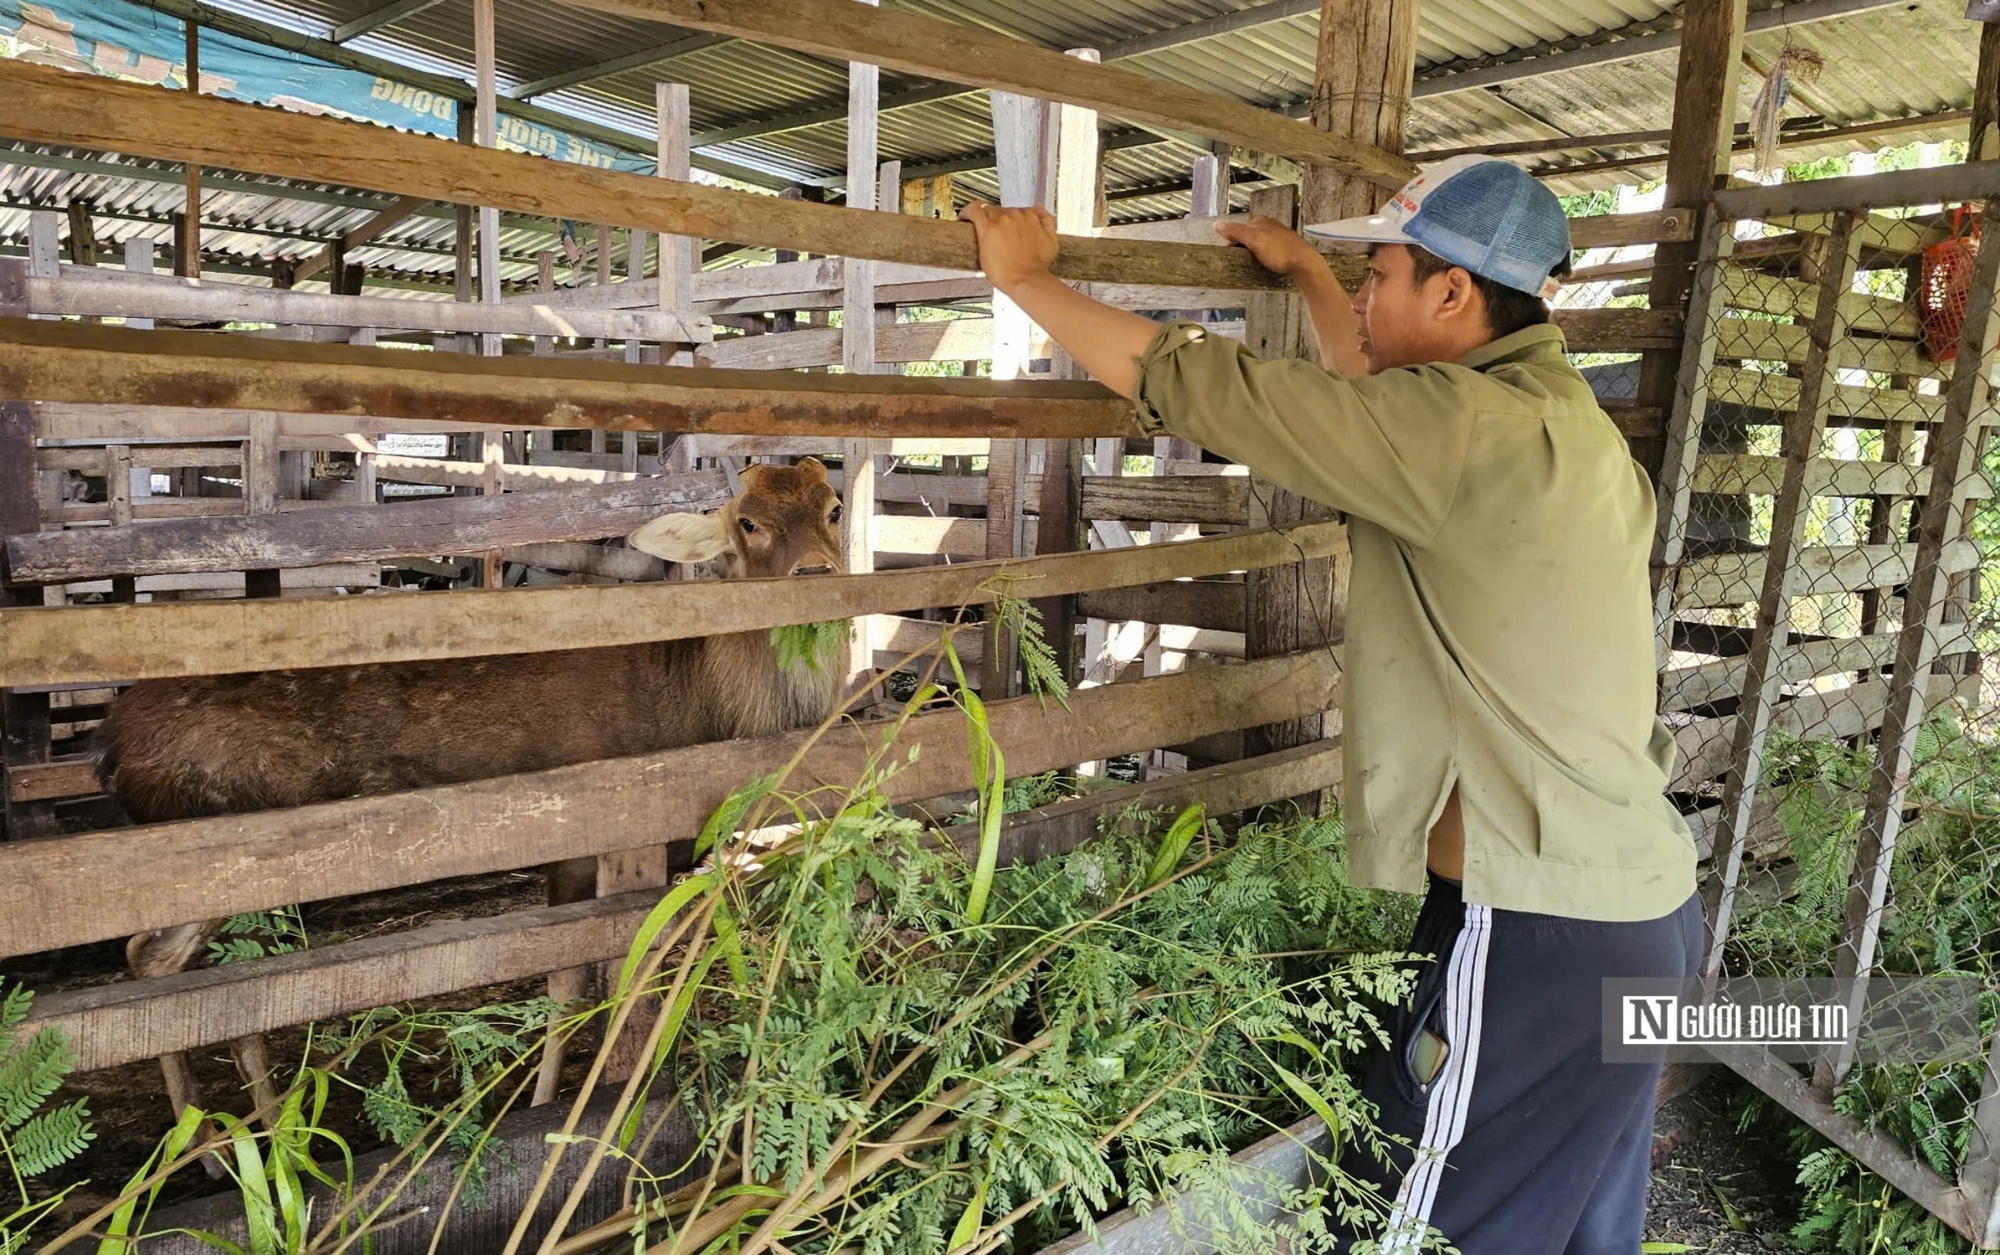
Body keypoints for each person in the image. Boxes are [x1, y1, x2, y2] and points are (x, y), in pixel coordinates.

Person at [959, 155, 1703, 1253]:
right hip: (1639, 914)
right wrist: (1308, 271)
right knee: (1577, 1231)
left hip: (1532, 934)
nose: (1364, 297)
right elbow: (1368, 394)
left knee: (1404, 1224)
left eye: (1382, 274)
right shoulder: (1564, 430)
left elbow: (1228, 391)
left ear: (1451, 294)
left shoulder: (1456, 429)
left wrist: (1026, 281)